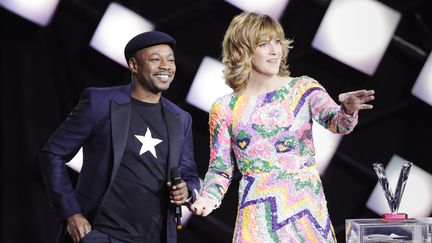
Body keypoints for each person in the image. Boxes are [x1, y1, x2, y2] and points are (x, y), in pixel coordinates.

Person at [190, 12, 374, 242]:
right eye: (264, 44)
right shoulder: (225, 108)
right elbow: (220, 170)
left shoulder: (303, 88)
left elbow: (337, 124)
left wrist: (347, 109)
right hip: (256, 217)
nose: (275, 50)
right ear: (242, 51)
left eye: (277, 42)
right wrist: (207, 199)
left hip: (305, 212)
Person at [39, 31, 200, 243]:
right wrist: (71, 214)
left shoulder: (181, 119)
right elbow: (52, 154)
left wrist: (187, 191)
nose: (166, 66)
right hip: (101, 235)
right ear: (134, 66)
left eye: (170, 60)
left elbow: (189, 174)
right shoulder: (100, 102)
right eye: (155, 59)